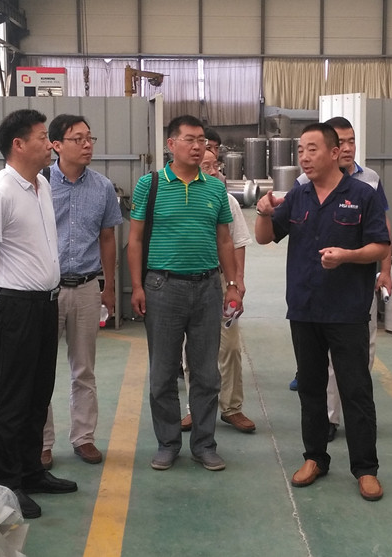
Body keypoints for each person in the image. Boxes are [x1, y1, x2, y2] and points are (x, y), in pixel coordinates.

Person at [255, 122, 391, 501]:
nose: (304, 157)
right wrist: (263, 213)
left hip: (347, 311)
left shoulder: (362, 195)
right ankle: (315, 457)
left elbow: (381, 245)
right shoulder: (297, 196)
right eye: (301, 150)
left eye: (312, 149)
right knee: (311, 389)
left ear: (334, 153)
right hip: (304, 308)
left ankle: (365, 468)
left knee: (356, 390)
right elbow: (265, 237)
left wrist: (347, 256)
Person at [0, 109, 77, 520]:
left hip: (44, 304)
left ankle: (30, 472)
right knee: (10, 401)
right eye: (42, 137)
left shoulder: (40, 186)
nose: (50, 144)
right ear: (19, 144)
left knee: (36, 395)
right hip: (14, 308)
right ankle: (6, 485)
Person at [127, 115, 242, 472]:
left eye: (202, 141)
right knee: (163, 373)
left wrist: (232, 284)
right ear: (171, 144)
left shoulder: (215, 189)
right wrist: (137, 286)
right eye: (189, 139)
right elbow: (135, 239)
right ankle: (167, 443)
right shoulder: (150, 185)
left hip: (207, 288)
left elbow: (225, 240)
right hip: (163, 287)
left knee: (206, 373)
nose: (197, 146)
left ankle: (204, 444)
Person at [290, 116, 392, 442]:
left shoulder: (369, 182)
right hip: (311, 298)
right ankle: (328, 423)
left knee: (356, 369)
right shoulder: (303, 184)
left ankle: (359, 447)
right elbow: (279, 229)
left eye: (351, 141)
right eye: (341, 142)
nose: (348, 148)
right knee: (315, 375)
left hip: (352, 298)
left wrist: (385, 270)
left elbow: (383, 232)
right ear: (332, 148)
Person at [39, 114, 123, 470]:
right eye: (78, 139)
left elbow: (108, 238)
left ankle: (84, 437)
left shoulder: (102, 187)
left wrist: (109, 287)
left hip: (87, 287)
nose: (87, 145)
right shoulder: (39, 184)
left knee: (84, 368)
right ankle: (41, 442)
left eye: (90, 138)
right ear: (56, 145)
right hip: (46, 290)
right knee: (40, 370)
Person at [180, 148, 256, 434]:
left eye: (216, 166)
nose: (214, 172)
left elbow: (237, 242)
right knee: (192, 351)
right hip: (188, 282)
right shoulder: (181, 197)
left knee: (230, 347)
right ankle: (195, 408)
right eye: (207, 166)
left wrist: (237, 282)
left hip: (222, 282)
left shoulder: (227, 200)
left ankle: (231, 407)